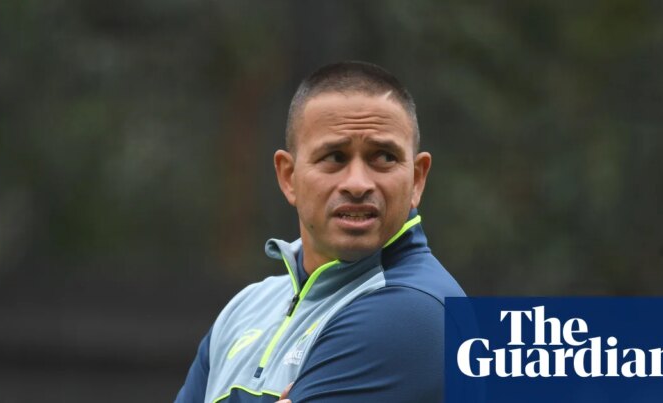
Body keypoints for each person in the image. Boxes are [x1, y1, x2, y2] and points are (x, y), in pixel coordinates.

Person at [175, 61, 466, 403]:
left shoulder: (416, 310)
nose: (357, 184)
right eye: (334, 157)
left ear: (417, 179)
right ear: (288, 177)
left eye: (384, 157)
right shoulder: (244, 309)